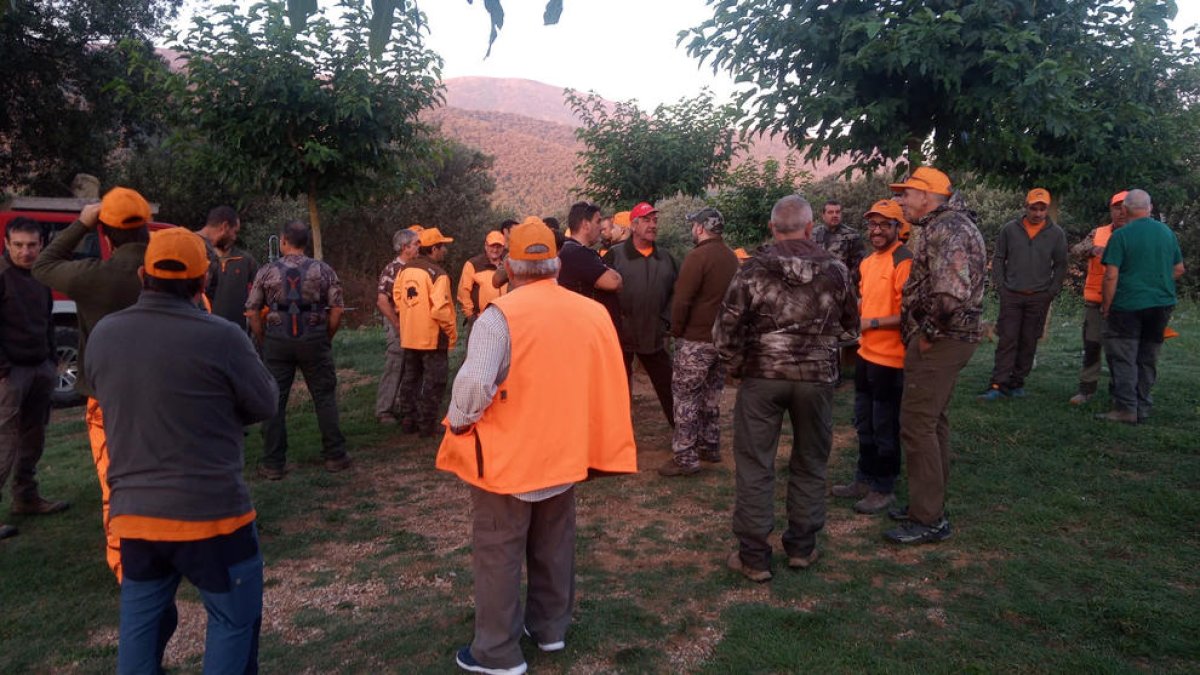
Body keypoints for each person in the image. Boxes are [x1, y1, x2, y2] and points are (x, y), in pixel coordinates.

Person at [436, 219, 636, 675]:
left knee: (499, 551)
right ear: (556, 265)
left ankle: (496, 652)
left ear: (509, 266)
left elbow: (473, 387)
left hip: (509, 461)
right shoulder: (591, 313)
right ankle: (550, 628)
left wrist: (460, 424)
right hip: (567, 451)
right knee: (554, 544)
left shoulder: (498, 317)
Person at [86, 227, 278, 674]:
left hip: (135, 515)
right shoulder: (222, 337)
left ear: (142, 275)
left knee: (140, 629)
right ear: (203, 280)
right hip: (213, 514)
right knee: (232, 622)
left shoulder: (104, 334)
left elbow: (106, 394)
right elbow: (265, 403)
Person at [714, 195, 857, 581]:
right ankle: (802, 548)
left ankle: (754, 557)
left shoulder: (752, 269)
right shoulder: (837, 270)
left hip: (763, 375)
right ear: (810, 228)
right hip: (817, 379)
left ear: (772, 228)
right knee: (810, 460)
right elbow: (851, 324)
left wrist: (737, 367)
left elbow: (725, 330)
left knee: (755, 464)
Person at [32, 186, 153, 580]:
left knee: (114, 482)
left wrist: (81, 224)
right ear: (146, 226)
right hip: (161, 393)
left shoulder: (92, 277)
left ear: (105, 233)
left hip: (107, 398)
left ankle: (126, 566)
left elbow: (43, 264)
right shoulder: (167, 271)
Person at [886, 167, 986, 544]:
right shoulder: (946, 225)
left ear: (927, 196)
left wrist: (927, 334)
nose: (901, 201)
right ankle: (928, 501)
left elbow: (950, 294)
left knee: (917, 423)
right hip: (949, 336)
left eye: (906, 194)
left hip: (943, 337)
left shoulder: (948, 229)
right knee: (933, 419)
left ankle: (928, 518)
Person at [246, 221, 350, 479]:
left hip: (277, 341)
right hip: (314, 338)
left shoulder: (267, 271)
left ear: (283, 241)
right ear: (305, 242)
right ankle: (335, 456)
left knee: (275, 399)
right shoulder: (324, 269)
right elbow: (337, 309)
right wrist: (326, 337)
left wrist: (263, 339)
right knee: (324, 396)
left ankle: (273, 464)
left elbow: (252, 311)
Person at [830, 200, 913, 514]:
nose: (877, 230)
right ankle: (864, 478)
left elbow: (909, 315)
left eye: (884, 225)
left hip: (892, 360)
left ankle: (884, 486)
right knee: (863, 421)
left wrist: (872, 323)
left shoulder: (904, 261)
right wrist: (851, 315)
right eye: (873, 224)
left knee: (884, 425)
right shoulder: (867, 261)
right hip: (866, 354)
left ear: (898, 228)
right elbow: (866, 300)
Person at [0, 218, 68, 540]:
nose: (25, 252)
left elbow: (48, 319)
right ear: (6, 243)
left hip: (40, 367)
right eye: (18, 245)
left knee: (34, 437)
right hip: (10, 374)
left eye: (31, 245)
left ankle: (26, 497)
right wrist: (3, 369)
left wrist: (51, 359)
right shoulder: (2, 276)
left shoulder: (41, 274)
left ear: (41, 244)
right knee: (4, 442)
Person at [659, 208, 738, 477]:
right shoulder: (731, 257)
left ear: (701, 228)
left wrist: (676, 330)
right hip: (722, 340)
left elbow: (682, 299)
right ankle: (709, 446)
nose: (692, 229)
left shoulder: (697, 257)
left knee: (685, 398)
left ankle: (685, 457)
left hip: (695, 340)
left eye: (694, 224)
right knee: (711, 397)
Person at [1096, 189, 1185, 424]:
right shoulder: (1166, 233)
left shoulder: (1121, 236)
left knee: (1124, 356)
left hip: (1127, 305)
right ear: (1150, 208)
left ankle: (1126, 408)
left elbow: (1111, 276)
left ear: (1125, 210)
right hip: (1161, 305)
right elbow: (1179, 269)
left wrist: (1106, 305)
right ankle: (1143, 406)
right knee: (1148, 356)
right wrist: (1155, 281)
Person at [979, 188, 1067, 400]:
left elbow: (1061, 264)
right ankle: (997, 384)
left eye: (1042, 209)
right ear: (1026, 207)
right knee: (1007, 339)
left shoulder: (1056, 234)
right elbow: (999, 258)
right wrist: (1001, 286)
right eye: (1034, 208)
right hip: (1012, 294)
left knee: (1029, 341)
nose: (1038, 213)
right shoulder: (1010, 229)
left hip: (1039, 296)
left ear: (1047, 209)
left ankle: (1017, 383)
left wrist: (1051, 291)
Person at [603, 202, 678, 427]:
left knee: (669, 386)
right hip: (621, 336)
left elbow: (677, 292)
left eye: (655, 220)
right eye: (646, 220)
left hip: (653, 334)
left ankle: (682, 434)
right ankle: (617, 434)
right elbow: (602, 293)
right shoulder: (615, 256)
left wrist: (666, 320)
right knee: (618, 389)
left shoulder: (666, 258)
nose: (652, 225)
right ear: (633, 225)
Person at [394, 227, 457, 437]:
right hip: (432, 337)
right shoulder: (438, 275)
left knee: (410, 378)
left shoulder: (405, 269)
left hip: (409, 335)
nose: (445, 251)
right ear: (434, 249)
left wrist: (409, 316)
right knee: (435, 381)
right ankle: (427, 425)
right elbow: (441, 310)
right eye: (442, 247)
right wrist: (451, 333)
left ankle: (408, 420)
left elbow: (397, 297)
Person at [1069, 191, 1128, 405]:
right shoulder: (1098, 233)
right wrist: (1092, 248)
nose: (1121, 212)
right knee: (1092, 346)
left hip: (1124, 303)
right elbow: (1075, 251)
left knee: (1120, 350)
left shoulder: (1137, 235)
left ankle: (1119, 393)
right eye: (1116, 207)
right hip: (1095, 301)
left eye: (1125, 207)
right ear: (1111, 210)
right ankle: (1086, 389)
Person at [374, 228, 420, 424]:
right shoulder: (392, 270)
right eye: (416, 244)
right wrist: (396, 323)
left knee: (411, 365)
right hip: (397, 322)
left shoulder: (416, 268)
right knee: (395, 363)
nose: (419, 247)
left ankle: (405, 405)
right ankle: (384, 409)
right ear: (404, 247)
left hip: (413, 323)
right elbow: (382, 301)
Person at [558, 201, 622, 328]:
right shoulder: (577, 253)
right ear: (586, 225)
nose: (601, 228)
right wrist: (615, 275)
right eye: (597, 222)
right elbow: (614, 282)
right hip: (589, 328)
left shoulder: (570, 250)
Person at [458, 231, 507, 324]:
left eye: (498, 246)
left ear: (503, 248)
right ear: (486, 246)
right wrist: (470, 316)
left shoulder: (508, 264)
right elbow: (463, 292)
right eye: (492, 246)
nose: (495, 250)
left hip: (505, 318)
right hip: (480, 318)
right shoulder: (473, 264)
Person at [811, 199, 864, 285]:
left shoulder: (852, 235)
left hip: (843, 285)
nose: (835, 215)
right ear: (823, 215)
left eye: (837, 212)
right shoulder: (813, 234)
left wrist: (849, 284)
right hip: (817, 285)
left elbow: (859, 266)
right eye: (830, 212)